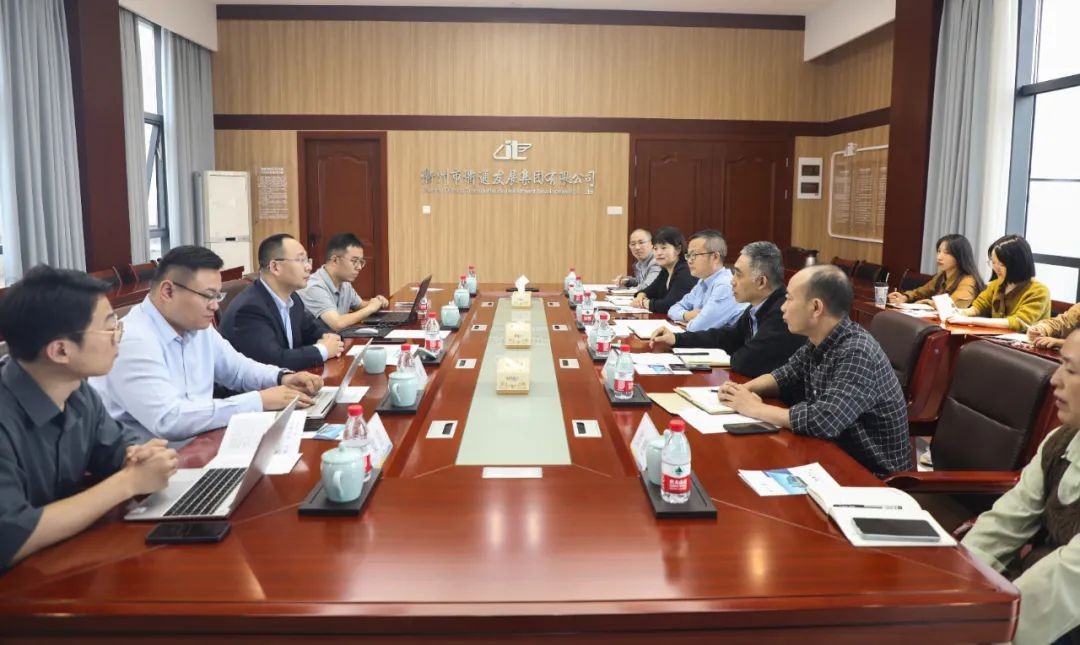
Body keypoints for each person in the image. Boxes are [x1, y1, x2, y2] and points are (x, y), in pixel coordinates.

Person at [0, 266, 178, 569]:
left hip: (61, 563)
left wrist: (143, 456)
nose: (118, 338)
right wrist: (127, 483)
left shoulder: (78, 391)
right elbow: (11, 536)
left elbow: (119, 451)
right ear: (60, 350)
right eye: (110, 328)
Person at [91, 246, 323, 444]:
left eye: (217, 296)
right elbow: (170, 420)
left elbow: (238, 369)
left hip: (202, 445)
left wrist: (282, 377)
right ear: (168, 291)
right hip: (155, 465)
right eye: (208, 296)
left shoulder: (196, 327)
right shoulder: (133, 340)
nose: (214, 306)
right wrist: (258, 401)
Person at [718, 265, 910, 477]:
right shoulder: (819, 340)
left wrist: (755, 408)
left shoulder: (857, 352)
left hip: (873, 477)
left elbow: (824, 420)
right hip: (831, 456)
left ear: (816, 307)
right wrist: (741, 391)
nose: (782, 307)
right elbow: (785, 375)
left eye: (789, 299)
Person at [961, 329, 1080, 645]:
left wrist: (984, 629)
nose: (1055, 379)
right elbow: (1006, 522)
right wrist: (957, 584)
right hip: (1037, 600)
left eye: (1070, 370)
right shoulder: (1061, 441)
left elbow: (1066, 581)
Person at [649, 241, 804, 377]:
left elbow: (746, 361)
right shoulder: (756, 307)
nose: (732, 281)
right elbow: (726, 337)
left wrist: (734, 350)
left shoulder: (783, 313)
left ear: (761, 282)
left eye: (738, 274)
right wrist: (676, 339)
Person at [220, 234, 345, 370]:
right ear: (275, 267)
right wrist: (323, 350)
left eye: (307, 260)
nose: (308, 267)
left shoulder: (293, 299)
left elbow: (313, 330)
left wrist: (330, 338)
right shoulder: (249, 309)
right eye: (300, 260)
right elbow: (274, 361)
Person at [949, 235, 1050, 331]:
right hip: (998, 338)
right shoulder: (996, 284)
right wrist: (959, 313)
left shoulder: (1039, 291)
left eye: (1001, 264)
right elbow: (978, 307)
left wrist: (969, 320)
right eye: (993, 262)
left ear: (1017, 264)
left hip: (1024, 341)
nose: (995, 268)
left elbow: (1018, 322)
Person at [297, 232, 389, 332]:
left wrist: (377, 302)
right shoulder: (314, 287)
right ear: (335, 260)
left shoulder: (345, 284)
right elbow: (337, 323)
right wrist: (371, 308)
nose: (359, 267)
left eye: (361, 262)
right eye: (354, 261)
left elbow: (360, 305)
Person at [666, 230, 746, 332]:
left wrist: (689, 322)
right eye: (688, 255)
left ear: (715, 257)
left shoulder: (726, 286)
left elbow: (697, 327)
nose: (689, 260)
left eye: (694, 255)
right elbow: (673, 309)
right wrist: (687, 315)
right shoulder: (702, 281)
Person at [887, 234, 984, 308]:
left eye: (947, 253)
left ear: (959, 256)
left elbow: (953, 305)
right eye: (939, 251)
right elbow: (921, 292)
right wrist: (904, 297)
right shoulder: (941, 276)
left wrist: (927, 303)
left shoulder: (969, 280)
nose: (939, 257)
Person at [630, 227, 695, 315]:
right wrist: (641, 295)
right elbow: (649, 290)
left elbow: (669, 305)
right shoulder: (666, 270)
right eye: (655, 248)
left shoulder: (685, 271)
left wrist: (644, 303)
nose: (658, 253)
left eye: (663, 248)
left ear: (678, 249)